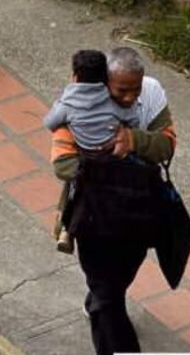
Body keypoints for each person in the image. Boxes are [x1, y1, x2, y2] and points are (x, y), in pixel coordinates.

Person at [50, 47, 176, 355]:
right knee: (108, 293)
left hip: (139, 214)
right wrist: (107, 166)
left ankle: (98, 306)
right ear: (104, 83)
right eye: (120, 90)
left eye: (133, 90)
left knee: (113, 288)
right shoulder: (79, 103)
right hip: (92, 216)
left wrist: (134, 141)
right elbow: (62, 162)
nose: (129, 97)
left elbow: (167, 145)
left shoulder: (151, 95)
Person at [43, 50, 139, 254]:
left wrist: (64, 108)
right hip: (112, 156)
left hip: (85, 159)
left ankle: (67, 231)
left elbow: (49, 123)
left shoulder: (68, 105)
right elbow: (132, 120)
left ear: (75, 77)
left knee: (75, 190)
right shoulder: (112, 100)